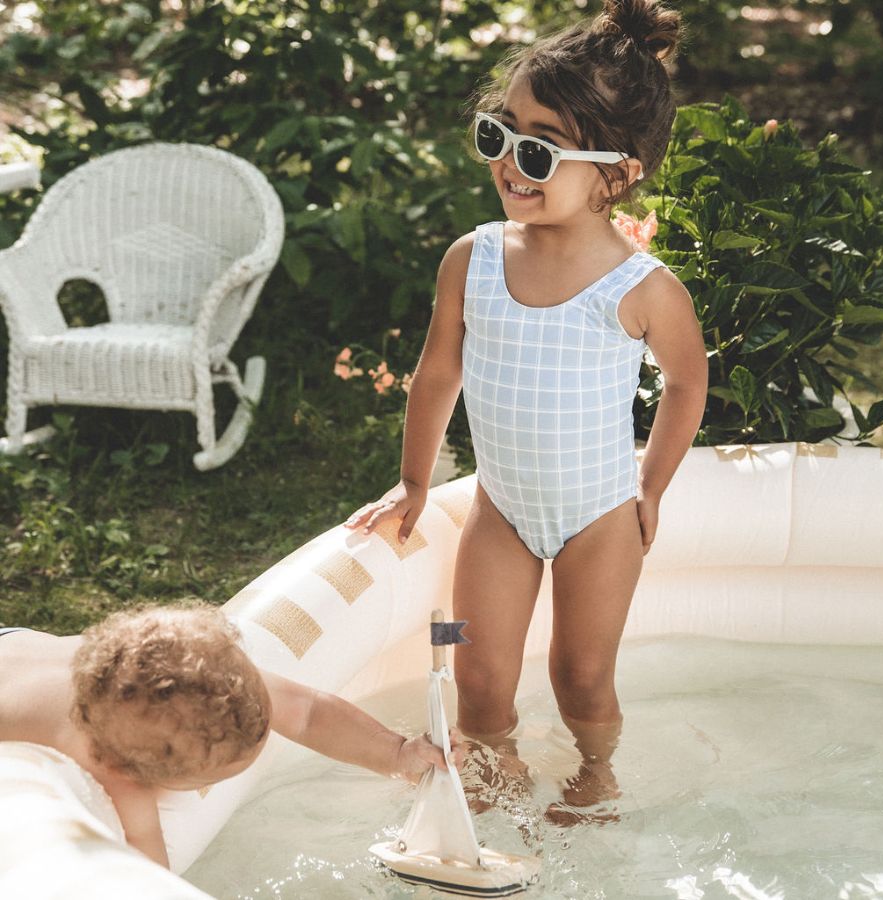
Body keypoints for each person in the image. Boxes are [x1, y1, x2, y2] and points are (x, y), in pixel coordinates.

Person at [345, 0, 708, 818]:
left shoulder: (642, 289)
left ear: (619, 174)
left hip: (599, 517)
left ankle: (597, 766)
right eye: (497, 134)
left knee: (581, 678)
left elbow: (688, 381)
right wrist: (412, 483)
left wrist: (650, 488)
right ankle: (496, 773)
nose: (511, 162)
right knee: (477, 681)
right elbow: (437, 372)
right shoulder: (471, 259)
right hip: (500, 511)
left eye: (539, 149)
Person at [0, 605, 461, 868]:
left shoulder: (203, 679)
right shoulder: (110, 759)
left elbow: (309, 713)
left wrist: (397, 754)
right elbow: (149, 866)